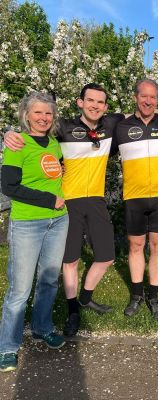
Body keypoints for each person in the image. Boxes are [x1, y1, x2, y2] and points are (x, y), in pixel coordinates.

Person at [3, 83, 124, 337]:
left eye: (100, 102)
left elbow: (145, 112)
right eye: (90, 100)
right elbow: (35, 134)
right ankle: (73, 310)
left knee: (106, 257)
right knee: (70, 261)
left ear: (106, 107)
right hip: (68, 202)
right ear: (80, 102)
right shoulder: (63, 128)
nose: (94, 105)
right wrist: (9, 133)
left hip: (97, 200)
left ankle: (85, 298)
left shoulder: (111, 125)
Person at [0, 92, 68, 373]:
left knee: (49, 281)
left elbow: (56, 172)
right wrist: (49, 200)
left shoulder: (54, 144)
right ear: (26, 115)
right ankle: (8, 346)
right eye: (38, 112)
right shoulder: (17, 143)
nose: (43, 118)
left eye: (48, 113)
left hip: (58, 221)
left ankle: (42, 327)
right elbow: (9, 187)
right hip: (28, 223)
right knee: (20, 289)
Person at [115, 79, 158, 320]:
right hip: (134, 196)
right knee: (136, 246)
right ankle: (137, 295)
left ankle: (154, 296)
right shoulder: (121, 126)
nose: (148, 101)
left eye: (153, 97)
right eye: (143, 96)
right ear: (135, 97)